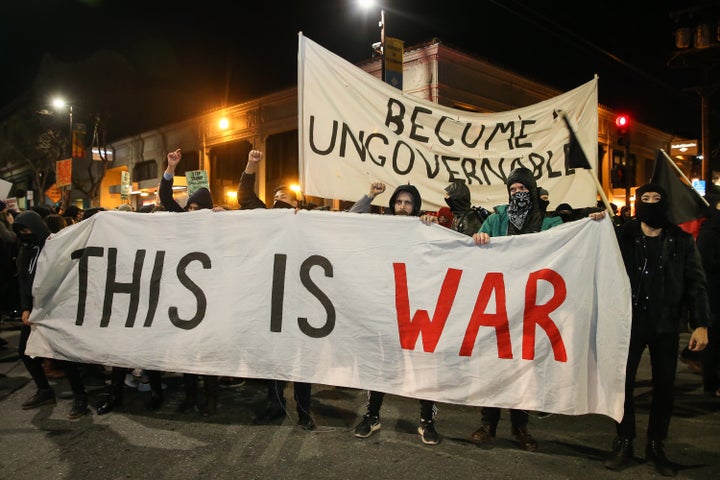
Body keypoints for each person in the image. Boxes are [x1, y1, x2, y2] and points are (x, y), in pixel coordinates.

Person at [603, 183, 710, 477]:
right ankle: (624, 441)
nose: (650, 203)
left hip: (665, 324)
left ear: (664, 203)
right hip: (629, 323)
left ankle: (655, 445)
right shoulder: (622, 236)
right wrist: (596, 221)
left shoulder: (681, 240)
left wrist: (701, 324)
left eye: (656, 199)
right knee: (622, 385)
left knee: (664, 388)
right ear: (638, 203)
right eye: (645, 198)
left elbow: (696, 284)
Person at [350, 180, 441, 445]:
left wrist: (429, 225)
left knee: (424, 364)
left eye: (408, 203)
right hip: (385, 305)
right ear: (392, 205)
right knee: (381, 363)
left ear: (416, 207)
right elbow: (351, 220)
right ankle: (372, 416)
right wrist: (369, 195)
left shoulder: (424, 228)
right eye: (398, 202)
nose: (402, 207)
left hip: (416, 308)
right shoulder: (381, 226)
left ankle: (427, 421)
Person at [237, 149, 315, 431]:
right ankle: (276, 404)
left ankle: (305, 411)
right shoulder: (265, 218)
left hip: (301, 299)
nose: (279, 199)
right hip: (272, 300)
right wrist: (252, 164)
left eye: (285, 197)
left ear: (297, 205)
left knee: (302, 358)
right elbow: (244, 196)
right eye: (276, 197)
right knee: (274, 358)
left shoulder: (307, 224)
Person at [158, 147, 219, 416]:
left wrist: (225, 216)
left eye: (197, 208)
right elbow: (165, 197)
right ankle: (190, 397)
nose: (192, 212)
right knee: (186, 352)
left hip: (211, 299)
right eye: (190, 207)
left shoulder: (218, 226)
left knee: (208, 354)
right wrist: (171, 168)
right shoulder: (182, 221)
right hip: (185, 298)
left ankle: (211, 399)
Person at [12, 209, 90, 419]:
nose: (25, 233)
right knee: (25, 352)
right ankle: (44, 390)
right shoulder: (25, 250)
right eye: (21, 231)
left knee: (64, 354)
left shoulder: (55, 246)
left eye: (27, 228)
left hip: (55, 308)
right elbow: (23, 282)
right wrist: (25, 308)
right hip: (35, 310)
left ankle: (80, 396)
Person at [695, 194, 720, 398]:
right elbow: (705, 263)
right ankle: (712, 383)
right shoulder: (710, 230)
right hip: (713, 293)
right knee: (713, 338)